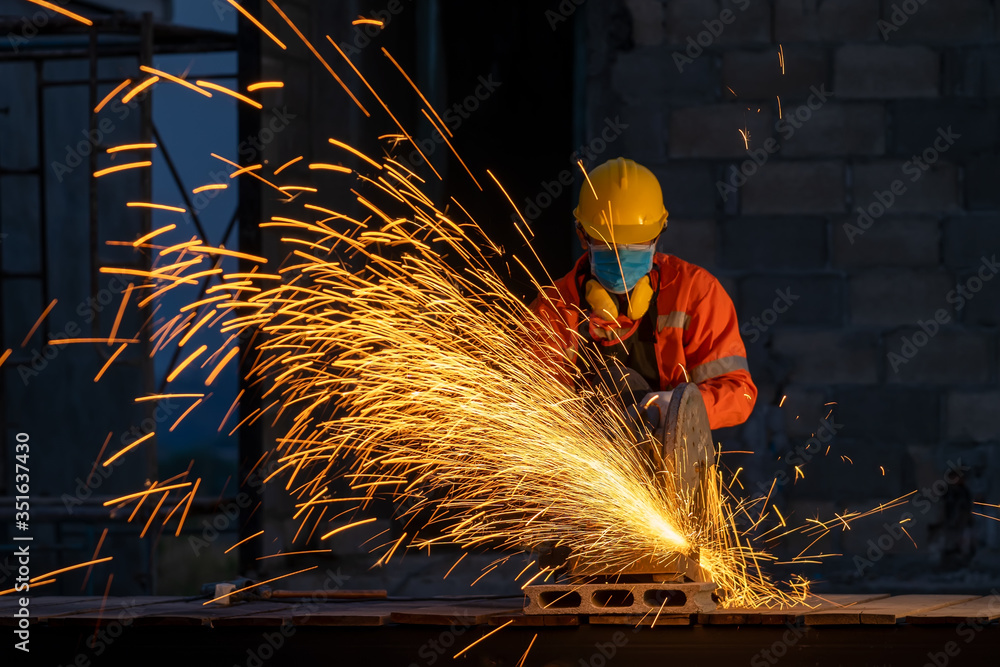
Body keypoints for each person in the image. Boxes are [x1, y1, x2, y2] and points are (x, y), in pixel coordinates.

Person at [529, 157, 756, 431]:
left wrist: (679, 409)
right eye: (608, 241)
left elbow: (738, 392)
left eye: (636, 242)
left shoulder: (695, 293)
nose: (623, 252)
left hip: (675, 462)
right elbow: (530, 408)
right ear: (582, 236)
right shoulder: (553, 309)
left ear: (658, 237)